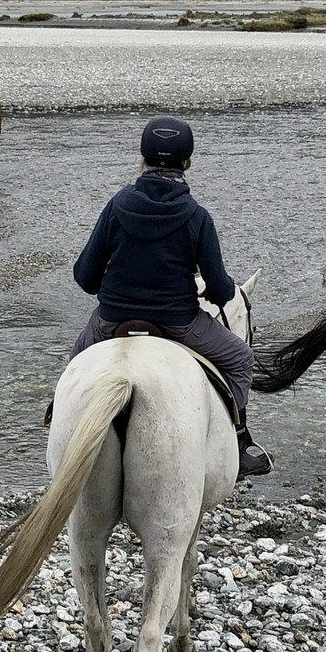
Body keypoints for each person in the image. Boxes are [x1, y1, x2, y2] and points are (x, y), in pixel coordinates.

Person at [69, 115, 273, 477]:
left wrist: (117, 282)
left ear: (142, 158)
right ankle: (239, 443)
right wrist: (215, 284)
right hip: (178, 322)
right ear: (187, 163)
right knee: (241, 358)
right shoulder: (197, 217)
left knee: (75, 366)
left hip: (112, 317)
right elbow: (224, 292)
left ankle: (61, 421)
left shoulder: (116, 206)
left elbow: (85, 278)